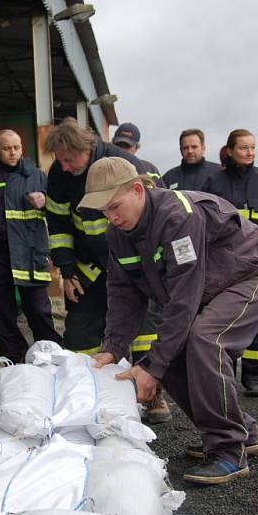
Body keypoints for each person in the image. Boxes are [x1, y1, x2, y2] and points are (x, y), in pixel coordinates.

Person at [84, 157, 258, 485]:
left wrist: (153, 369)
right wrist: (113, 347)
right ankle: (242, 430)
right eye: (104, 210)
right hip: (209, 287)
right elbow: (123, 291)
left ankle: (228, 450)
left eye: (115, 206)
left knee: (206, 339)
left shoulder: (177, 216)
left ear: (138, 189)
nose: (111, 217)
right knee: (170, 355)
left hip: (252, 273)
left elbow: (184, 298)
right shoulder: (118, 233)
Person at [44, 118, 171, 424]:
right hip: (91, 267)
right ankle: (84, 397)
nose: (63, 166)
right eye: (59, 160)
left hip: (134, 263)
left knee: (144, 331)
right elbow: (59, 225)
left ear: (86, 148)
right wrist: (67, 270)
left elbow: (153, 213)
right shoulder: (59, 176)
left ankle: (152, 397)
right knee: (79, 333)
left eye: (69, 159)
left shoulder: (122, 163)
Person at [201, 129, 258, 397]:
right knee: (225, 322)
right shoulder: (213, 183)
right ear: (229, 150)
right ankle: (225, 374)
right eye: (243, 148)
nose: (249, 152)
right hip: (225, 268)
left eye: (252, 147)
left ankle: (256, 376)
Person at [0, 129, 63, 363]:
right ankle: (15, 358)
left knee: (39, 310)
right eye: (7, 148)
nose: (13, 153)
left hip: (29, 252)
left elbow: (59, 213)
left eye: (17, 147)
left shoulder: (36, 176)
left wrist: (45, 202)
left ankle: (51, 356)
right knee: (2, 312)